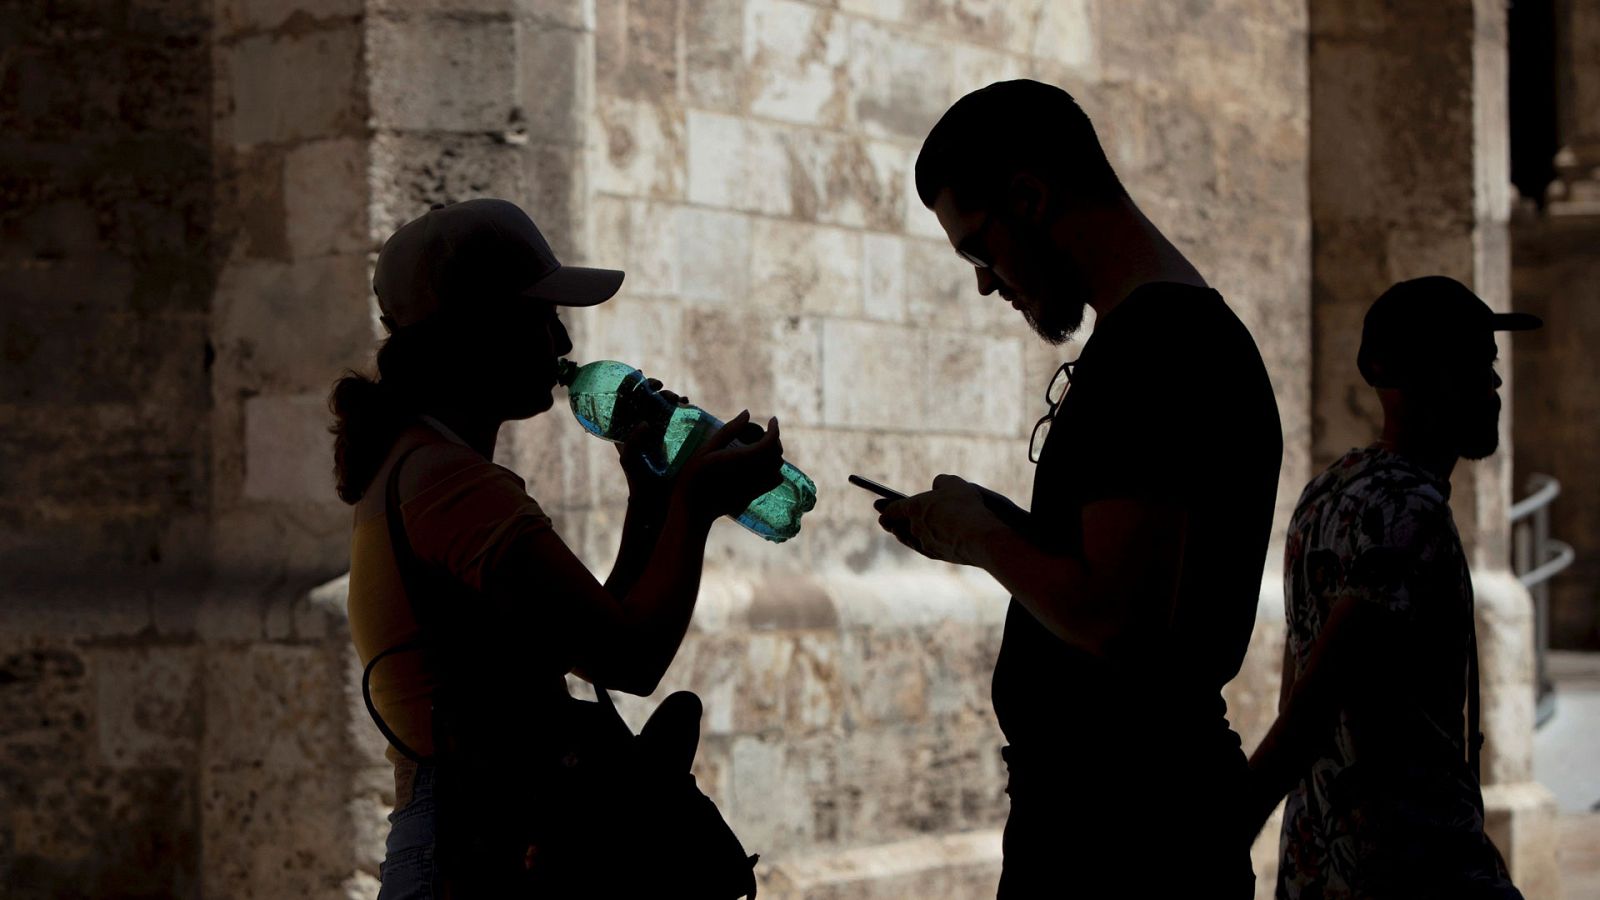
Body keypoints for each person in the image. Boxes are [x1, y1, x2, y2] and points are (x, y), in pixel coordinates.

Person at [877, 79, 1283, 896]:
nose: (987, 284)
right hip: (1121, 822)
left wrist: (981, 538)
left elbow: (1116, 615)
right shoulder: (1163, 336)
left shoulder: (1160, 347)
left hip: (1122, 839)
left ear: (1029, 195)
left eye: (980, 250)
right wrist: (992, 520)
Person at [331, 198, 783, 897]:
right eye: (539, 317)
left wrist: (653, 503)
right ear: (476, 335)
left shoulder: (418, 467)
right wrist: (696, 506)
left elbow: (595, 630)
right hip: (478, 853)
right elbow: (632, 658)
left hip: (472, 839)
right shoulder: (449, 483)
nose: (563, 342)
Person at [1246, 276, 1539, 899]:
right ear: (1417, 379)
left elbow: (1293, 686)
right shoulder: (1412, 516)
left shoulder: (1327, 493)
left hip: (1321, 867)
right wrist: (1216, 836)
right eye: (1475, 365)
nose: (1496, 385)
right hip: (1409, 867)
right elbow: (1312, 704)